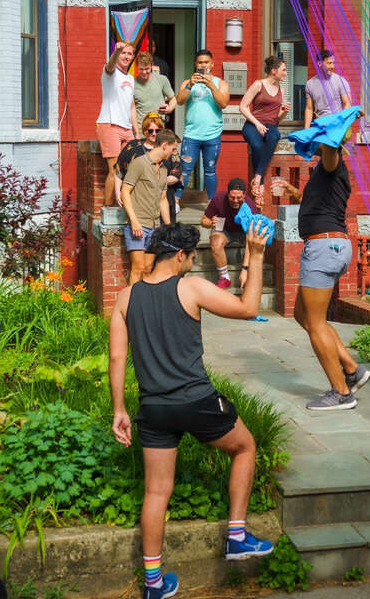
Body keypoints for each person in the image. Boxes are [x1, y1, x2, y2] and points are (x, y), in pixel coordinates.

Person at [109, 221, 274, 599]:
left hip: (153, 409)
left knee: (156, 492)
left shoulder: (125, 297)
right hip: (197, 401)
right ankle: (237, 536)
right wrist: (256, 254)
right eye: (190, 258)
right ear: (181, 255)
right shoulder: (190, 287)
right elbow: (249, 308)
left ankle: (153, 584)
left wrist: (119, 409)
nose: (190, 264)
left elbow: (117, 359)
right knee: (245, 447)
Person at [280, 133, 370, 410]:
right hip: (329, 246)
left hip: (323, 247)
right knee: (303, 314)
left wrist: (332, 130)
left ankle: (342, 393)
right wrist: (293, 192)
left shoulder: (332, 160)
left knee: (316, 323)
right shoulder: (323, 173)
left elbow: (332, 145)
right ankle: (352, 369)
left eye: (318, 136)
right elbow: (315, 203)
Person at [120, 129, 177, 284]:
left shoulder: (164, 169)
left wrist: (168, 227)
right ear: (164, 145)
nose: (173, 153)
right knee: (137, 268)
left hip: (155, 226)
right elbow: (125, 191)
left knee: (147, 268)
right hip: (138, 224)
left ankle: (144, 299)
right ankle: (132, 300)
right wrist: (134, 221)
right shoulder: (139, 163)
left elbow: (163, 199)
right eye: (172, 149)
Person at [175, 49, 230, 202]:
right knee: (185, 170)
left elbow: (223, 103)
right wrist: (190, 85)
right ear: (195, 64)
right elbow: (179, 101)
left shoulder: (220, 83)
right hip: (191, 135)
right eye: (200, 62)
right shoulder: (187, 83)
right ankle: (176, 201)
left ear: (212, 64)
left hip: (212, 135)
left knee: (210, 171)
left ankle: (211, 204)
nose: (203, 65)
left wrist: (211, 85)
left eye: (206, 62)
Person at [239, 56, 291, 205]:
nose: (285, 73)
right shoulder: (258, 84)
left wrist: (285, 112)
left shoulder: (282, 89)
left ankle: (257, 178)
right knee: (256, 145)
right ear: (274, 71)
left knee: (274, 136)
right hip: (253, 124)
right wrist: (257, 124)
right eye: (283, 70)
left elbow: (278, 118)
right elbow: (242, 106)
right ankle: (260, 184)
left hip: (270, 125)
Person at [115, 111, 182, 221]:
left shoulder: (170, 149)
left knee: (167, 230)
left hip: (164, 198)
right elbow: (118, 170)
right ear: (144, 130)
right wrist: (118, 192)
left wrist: (151, 182)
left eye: (157, 130)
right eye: (150, 130)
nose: (154, 134)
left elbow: (176, 174)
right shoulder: (133, 147)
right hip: (140, 202)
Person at [98, 41, 138, 206]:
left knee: (129, 168)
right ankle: (108, 208)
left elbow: (132, 107)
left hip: (127, 129)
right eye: (123, 53)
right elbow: (110, 65)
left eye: (129, 54)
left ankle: (123, 205)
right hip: (110, 125)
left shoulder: (131, 79)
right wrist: (116, 51)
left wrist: (137, 132)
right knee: (114, 170)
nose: (126, 56)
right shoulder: (110, 72)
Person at [201, 177, 258, 290]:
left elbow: (250, 241)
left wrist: (244, 269)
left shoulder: (250, 206)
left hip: (244, 233)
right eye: (232, 197)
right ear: (227, 194)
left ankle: (251, 276)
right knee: (215, 240)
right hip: (225, 230)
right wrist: (211, 222)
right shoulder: (218, 199)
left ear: (244, 195)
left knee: (257, 241)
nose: (235, 200)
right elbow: (203, 221)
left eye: (239, 197)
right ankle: (224, 277)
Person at [304, 49, 351, 128]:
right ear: (319, 64)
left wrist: (341, 123)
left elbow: (347, 103)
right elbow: (309, 108)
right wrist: (306, 129)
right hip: (320, 126)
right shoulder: (310, 84)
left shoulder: (340, 81)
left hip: (337, 125)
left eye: (333, 63)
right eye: (329, 63)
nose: (332, 66)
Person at [134, 52, 177, 125]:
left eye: (147, 69)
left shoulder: (162, 79)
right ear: (137, 67)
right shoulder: (132, 83)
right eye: (141, 69)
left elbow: (173, 99)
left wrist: (169, 109)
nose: (144, 72)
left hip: (158, 127)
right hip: (140, 128)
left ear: (151, 65)